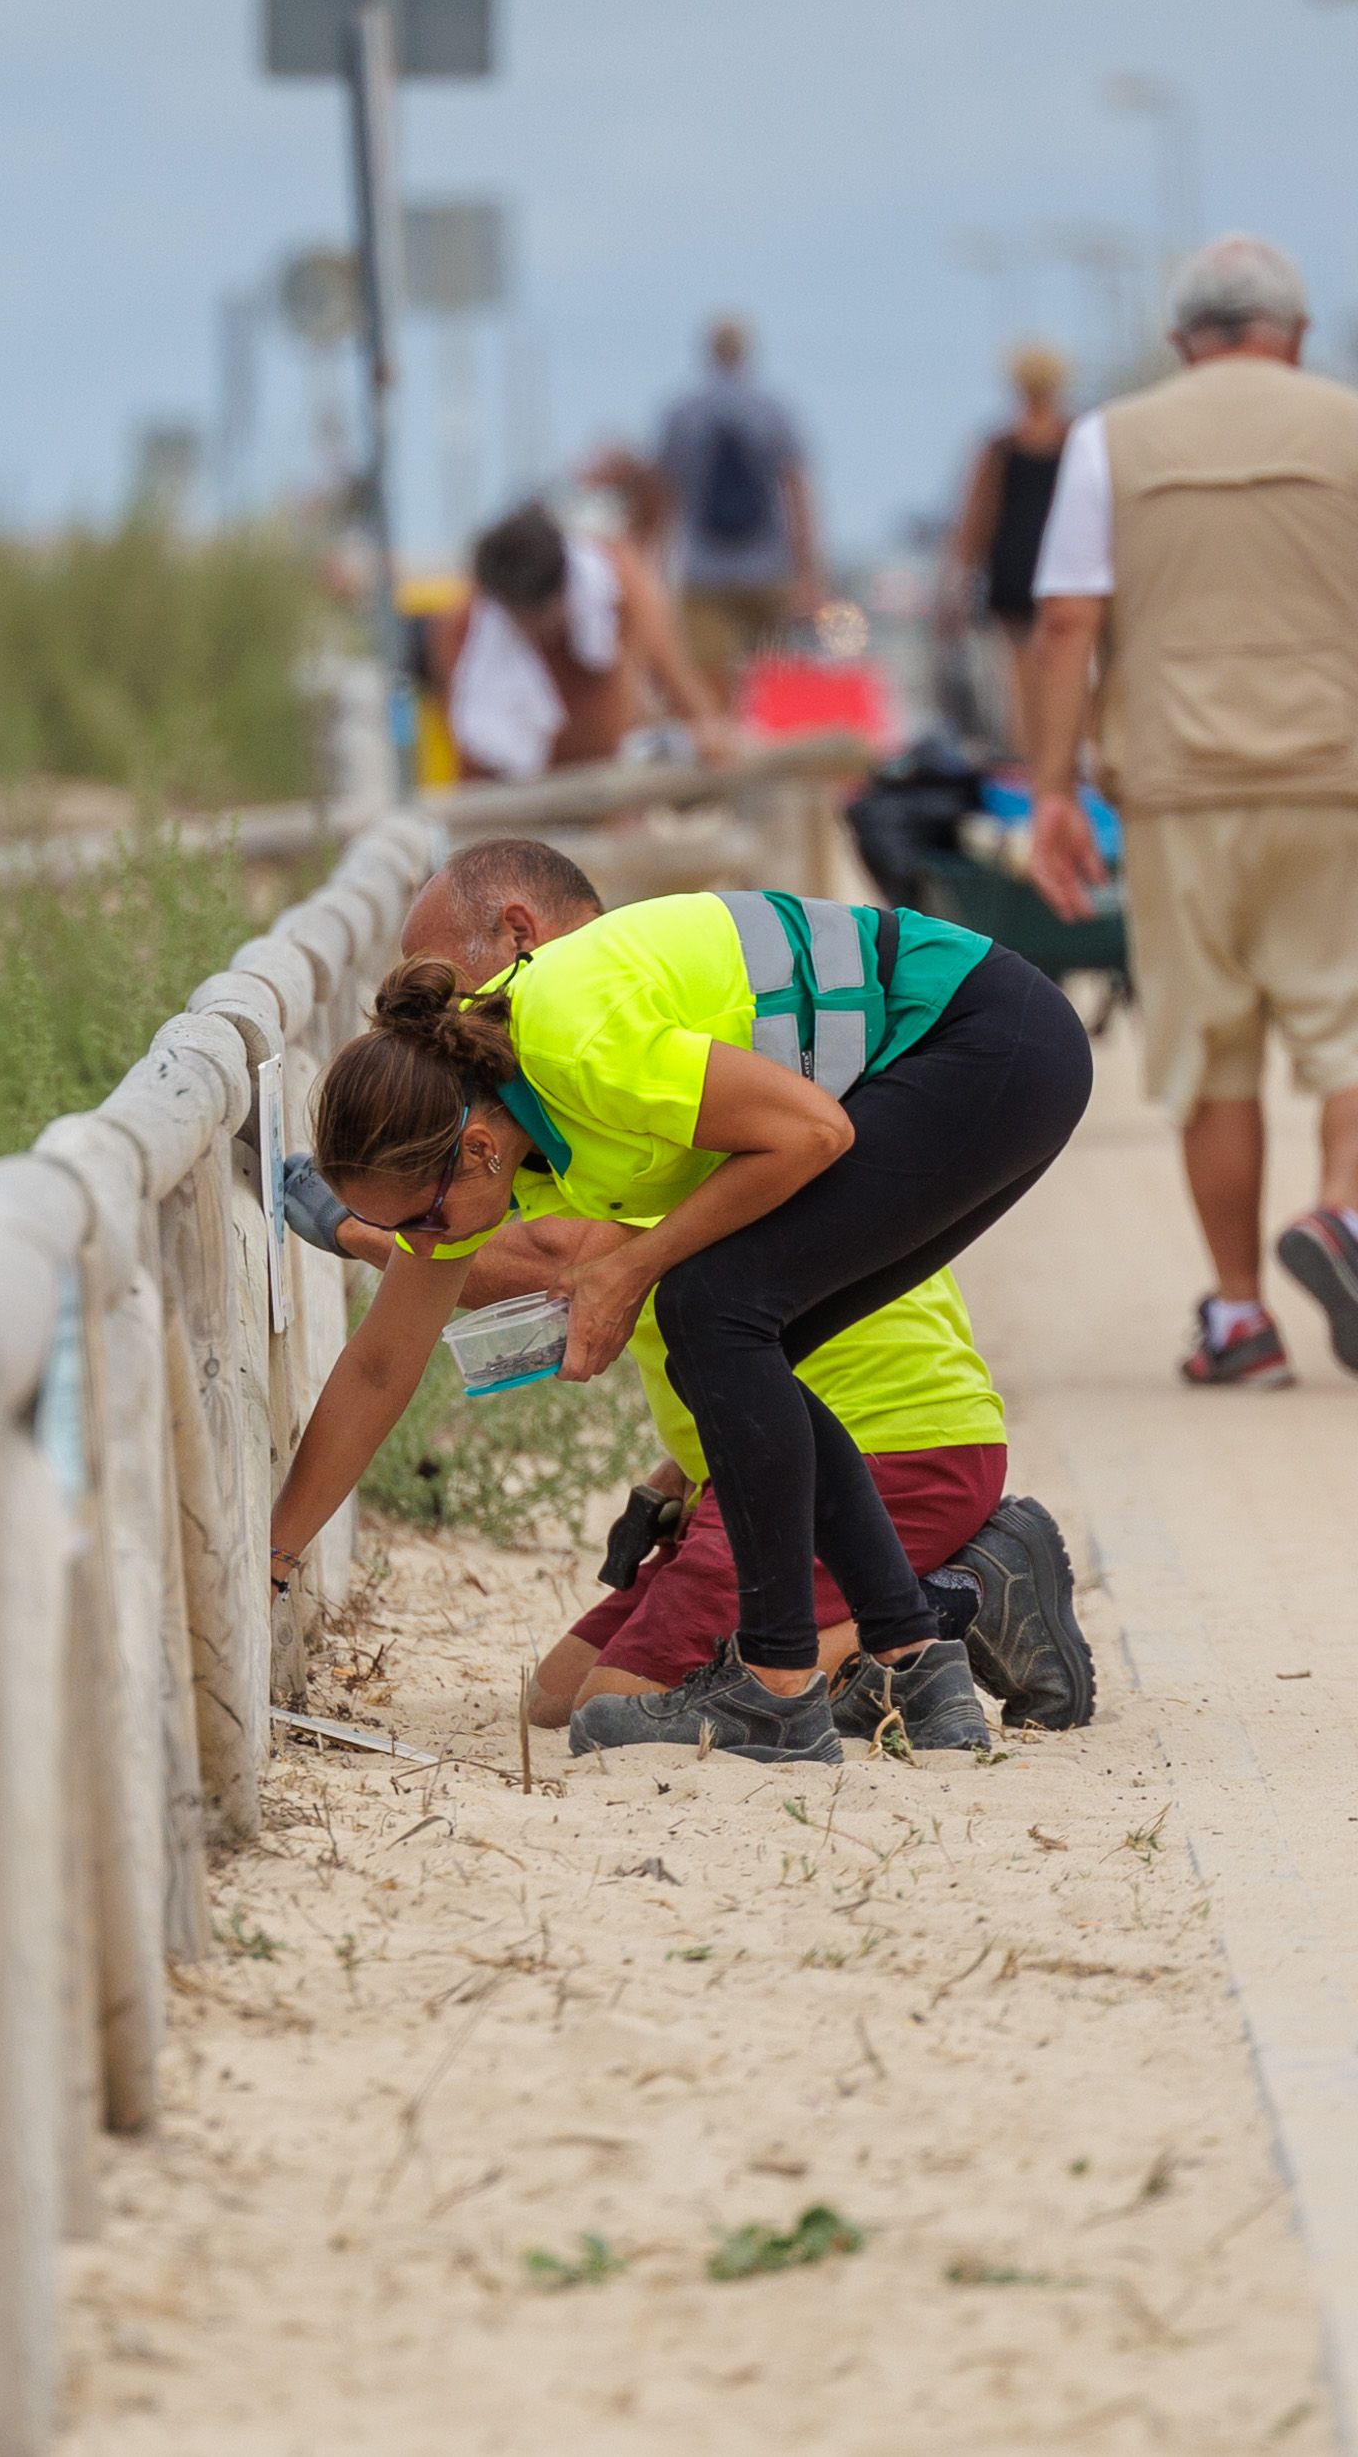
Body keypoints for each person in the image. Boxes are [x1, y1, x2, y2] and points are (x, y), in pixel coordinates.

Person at [264, 837, 1096, 1763]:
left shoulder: (570, 1037)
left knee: (712, 1307)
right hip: (981, 1052)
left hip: (987, 1037)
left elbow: (814, 1131)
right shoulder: (496, 1129)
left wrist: (625, 1270)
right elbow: (382, 1363)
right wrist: (273, 1556)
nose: (424, 1247)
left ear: (476, 1154)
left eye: (420, 1222)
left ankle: (785, 1686)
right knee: (725, 1321)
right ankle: (910, 1653)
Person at [1017, 234, 1358, 1387]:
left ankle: (1237, 1320)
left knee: (1211, 1051)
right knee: (1349, 1026)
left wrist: (1053, 794)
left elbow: (1065, 622)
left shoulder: (1114, 439)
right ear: (1295, 336)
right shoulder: (1348, 425)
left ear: (1179, 343)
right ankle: (1344, 1213)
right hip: (1338, 777)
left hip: (1174, 792)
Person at [426, 501, 725, 780]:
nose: (537, 631)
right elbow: (475, 738)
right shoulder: (466, 630)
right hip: (518, 785)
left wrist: (706, 727)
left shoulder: (613, 585)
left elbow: (671, 669)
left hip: (607, 772)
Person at [654, 316, 824, 710]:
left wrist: (660, 565)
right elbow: (798, 494)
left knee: (712, 685)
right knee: (776, 685)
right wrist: (809, 573)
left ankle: (728, 753)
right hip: (770, 568)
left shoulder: (681, 413)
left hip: (703, 569)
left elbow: (664, 495)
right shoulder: (774, 410)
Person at [939, 344, 1074, 747]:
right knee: (1065, 668)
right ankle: (1062, 755)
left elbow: (976, 517)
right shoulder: (1078, 439)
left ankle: (1031, 763)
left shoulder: (1000, 446)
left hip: (1013, 568)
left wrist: (959, 580)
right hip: (1065, 568)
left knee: (1020, 678)